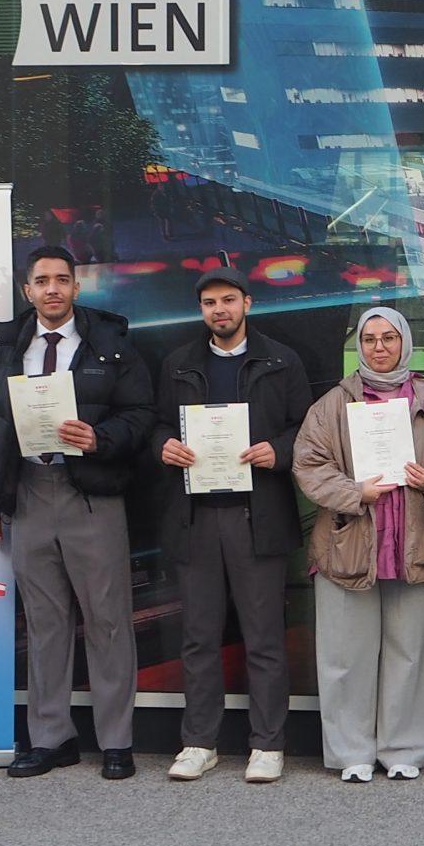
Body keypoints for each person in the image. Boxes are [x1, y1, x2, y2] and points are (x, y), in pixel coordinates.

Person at [0, 246, 157, 780]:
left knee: (108, 620)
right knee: (45, 623)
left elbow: (142, 413)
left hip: (92, 493)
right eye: (41, 281)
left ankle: (116, 740)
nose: (52, 289)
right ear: (26, 291)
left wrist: (100, 437)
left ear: (77, 287)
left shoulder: (112, 345)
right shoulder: (5, 350)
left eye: (62, 280)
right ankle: (51, 738)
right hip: (29, 490)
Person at [155, 270, 312, 783]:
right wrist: (164, 445)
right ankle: (199, 742)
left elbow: (306, 428)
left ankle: (267, 744)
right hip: (196, 514)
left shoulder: (280, 360)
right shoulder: (178, 363)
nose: (219, 310)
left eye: (227, 300)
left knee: (263, 637)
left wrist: (279, 450)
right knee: (198, 636)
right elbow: (156, 423)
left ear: (247, 302)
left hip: (256, 513)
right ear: (200, 309)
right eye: (208, 303)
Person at [293, 308, 424, 781]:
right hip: (350, 541)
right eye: (369, 339)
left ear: (405, 342)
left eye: (389, 338)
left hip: (414, 542)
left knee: (410, 654)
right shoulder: (331, 404)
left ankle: (403, 750)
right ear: (358, 346)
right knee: (346, 656)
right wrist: (354, 493)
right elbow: (309, 464)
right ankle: (352, 754)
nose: (379, 347)